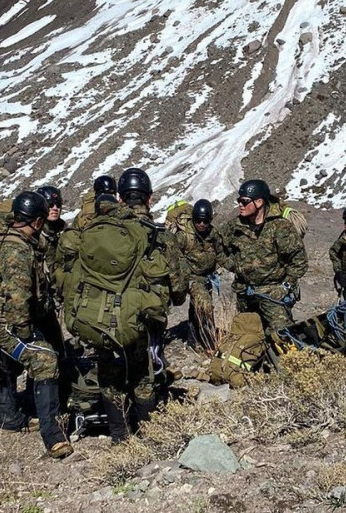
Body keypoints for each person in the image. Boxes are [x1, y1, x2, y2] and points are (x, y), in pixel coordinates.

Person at [62, 168, 177, 442]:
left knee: (109, 375)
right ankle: (147, 433)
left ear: (121, 198)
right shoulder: (156, 234)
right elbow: (178, 285)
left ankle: (119, 435)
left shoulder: (96, 230)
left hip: (102, 316)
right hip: (139, 319)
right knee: (143, 375)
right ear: (149, 198)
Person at [0, 191, 73, 459]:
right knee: (45, 361)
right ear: (39, 221)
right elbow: (19, 296)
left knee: (6, 362)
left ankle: (10, 417)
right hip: (6, 325)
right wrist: (26, 334)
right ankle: (53, 436)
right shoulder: (18, 249)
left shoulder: (10, 239)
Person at [219, 179, 308, 331]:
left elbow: (299, 261)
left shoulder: (280, 226)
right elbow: (218, 247)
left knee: (282, 336)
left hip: (272, 294)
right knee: (248, 337)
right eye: (239, 200)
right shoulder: (234, 226)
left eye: (244, 201)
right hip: (245, 293)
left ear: (259, 202)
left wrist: (285, 286)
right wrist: (236, 267)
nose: (240, 205)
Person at [173, 199, 223, 352]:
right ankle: (208, 342)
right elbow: (173, 256)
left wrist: (219, 268)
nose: (201, 224)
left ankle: (193, 339)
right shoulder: (183, 236)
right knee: (204, 305)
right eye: (198, 220)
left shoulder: (213, 234)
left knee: (197, 307)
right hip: (191, 278)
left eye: (205, 221)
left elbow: (220, 253)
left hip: (207, 277)